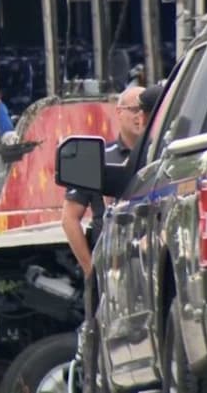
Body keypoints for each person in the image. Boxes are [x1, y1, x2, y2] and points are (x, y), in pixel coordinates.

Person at [60, 86, 145, 277]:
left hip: (152, 264)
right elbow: (69, 218)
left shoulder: (163, 155)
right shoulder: (96, 158)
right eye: (134, 110)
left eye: (146, 110)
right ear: (119, 112)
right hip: (110, 268)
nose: (140, 116)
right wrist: (91, 270)